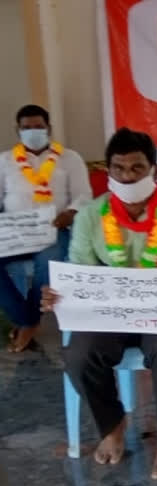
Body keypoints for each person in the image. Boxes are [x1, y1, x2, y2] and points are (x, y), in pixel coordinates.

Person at [41, 128, 157, 479]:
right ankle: (112, 424)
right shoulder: (92, 215)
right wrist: (61, 293)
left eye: (137, 168)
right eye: (118, 169)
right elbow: (81, 267)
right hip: (110, 313)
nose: (127, 176)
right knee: (78, 354)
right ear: (108, 171)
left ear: (155, 170)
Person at [0, 104, 91, 352]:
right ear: (17, 130)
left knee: (49, 265)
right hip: (12, 233)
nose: (32, 131)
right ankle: (27, 319)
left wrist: (70, 213)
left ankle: (27, 323)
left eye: (38, 127)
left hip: (52, 229)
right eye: (26, 127)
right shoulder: (5, 160)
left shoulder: (69, 158)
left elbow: (83, 195)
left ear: (48, 128)